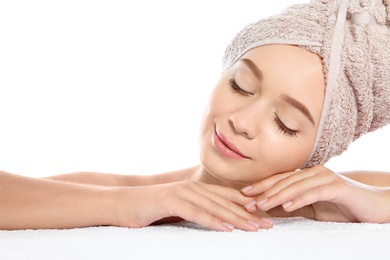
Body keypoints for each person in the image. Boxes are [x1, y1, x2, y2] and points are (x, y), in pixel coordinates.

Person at [1, 0, 390, 231]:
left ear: (319, 150)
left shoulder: (329, 200)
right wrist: (129, 205)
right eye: (240, 85)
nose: (242, 121)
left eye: (285, 123)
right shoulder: (128, 189)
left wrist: (371, 201)